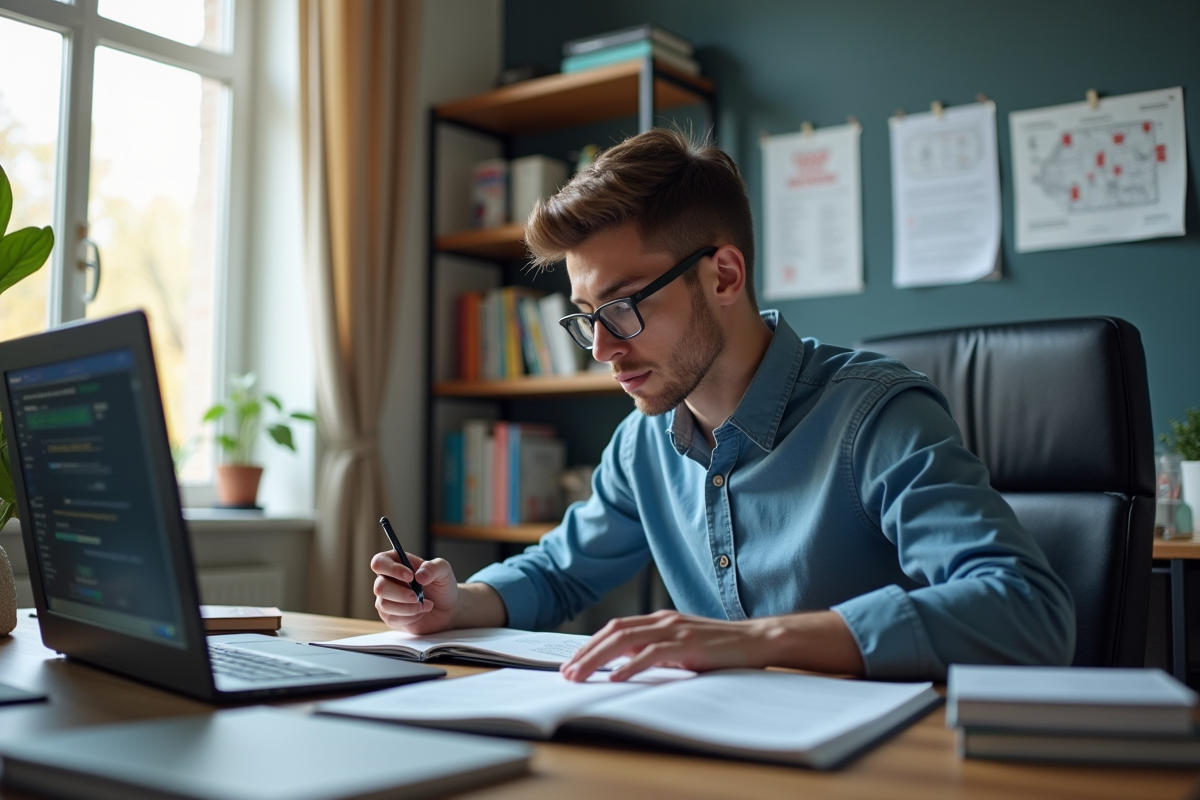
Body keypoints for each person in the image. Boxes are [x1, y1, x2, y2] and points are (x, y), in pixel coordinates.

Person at [372, 128, 1075, 683]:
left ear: (724, 275)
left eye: (621, 308)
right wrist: (459, 602)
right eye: (587, 316)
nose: (601, 350)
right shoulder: (642, 443)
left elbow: (1028, 611)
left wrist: (753, 641)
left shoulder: (877, 415)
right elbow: (560, 571)